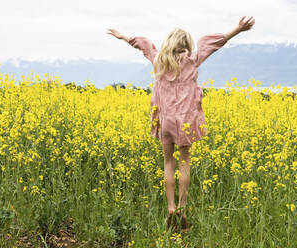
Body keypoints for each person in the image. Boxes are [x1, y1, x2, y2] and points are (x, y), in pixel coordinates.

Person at [106, 16, 255, 232]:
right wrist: (238, 29)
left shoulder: (158, 60)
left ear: (169, 42)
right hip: (185, 120)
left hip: (166, 120)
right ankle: (182, 209)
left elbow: (142, 43)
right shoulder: (193, 59)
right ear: (187, 45)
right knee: (184, 162)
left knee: (168, 162)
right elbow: (215, 43)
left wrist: (123, 37)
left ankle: (170, 206)